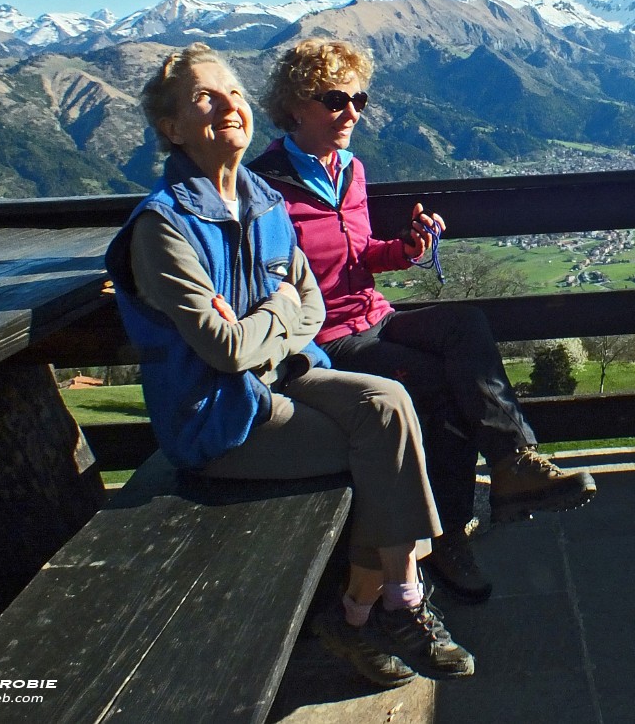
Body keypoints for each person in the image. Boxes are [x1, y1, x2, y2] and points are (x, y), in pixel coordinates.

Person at [104, 42, 473, 686]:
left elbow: (304, 310)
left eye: (235, 94)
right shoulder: (162, 229)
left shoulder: (263, 202)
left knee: (389, 402)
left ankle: (367, 610)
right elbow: (227, 351)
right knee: (377, 442)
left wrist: (260, 322)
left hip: (284, 378)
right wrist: (275, 312)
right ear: (170, 128)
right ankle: (390, 608)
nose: (229, 105)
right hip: (219, 419)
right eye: (205, 98)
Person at [248, 37, 597, 604]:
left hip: (375, 316)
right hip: (328, 339)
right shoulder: (264, 186)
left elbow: (358, 255)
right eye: (336, 99)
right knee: (443, 389)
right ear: (296, 103)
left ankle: (511, 460)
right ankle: (450, 536)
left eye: (359, 99)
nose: (352, 113)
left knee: (466, 325)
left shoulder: (349, 170)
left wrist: (406, 248)